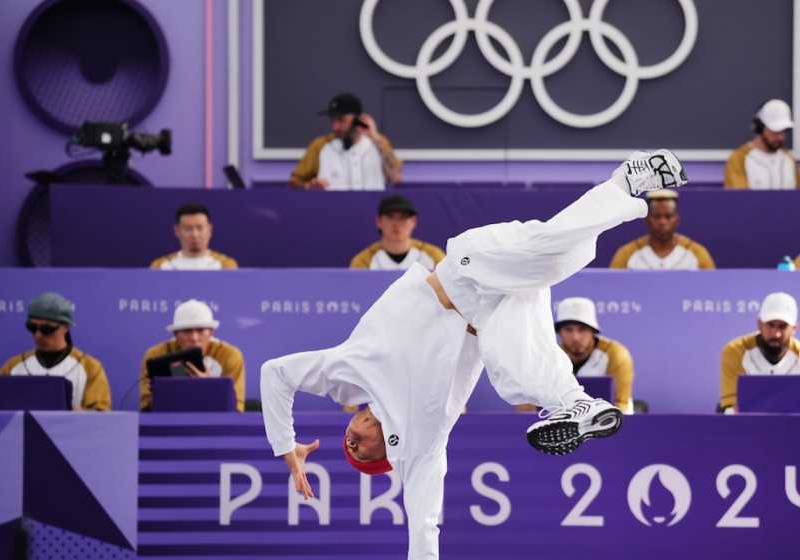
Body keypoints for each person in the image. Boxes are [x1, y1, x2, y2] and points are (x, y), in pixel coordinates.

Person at [260, 149, 687, 558]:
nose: (351, 444)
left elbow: (275, 374)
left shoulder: (346, 376)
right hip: (491, 315)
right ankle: (574, 403)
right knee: (510, 369)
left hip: (467, 268)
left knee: (553, 248)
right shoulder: (421, 443)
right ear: (390, 453)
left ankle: (626, 180)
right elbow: (422, 527)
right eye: (361, 455)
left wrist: (286, 445)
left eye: (348, 442)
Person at [0, 292, 111, 411]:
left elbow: (101, 415)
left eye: (47, 329)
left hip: (71, 429)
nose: (38, 335)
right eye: (32, 328)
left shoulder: (90, 367)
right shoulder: (13, 366)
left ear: (66, 327)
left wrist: (80, 414)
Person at [139, 300, 246, 412]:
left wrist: (211, 387)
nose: (194, 338)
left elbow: (236, 409)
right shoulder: (156, 355)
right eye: (187, 331)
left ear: (211, 332)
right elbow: (146, 407)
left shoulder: (230, 356)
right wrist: (167, 390)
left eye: (200, 330)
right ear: (175, 334)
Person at [290, 92, 402, 190]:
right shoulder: (320, 145)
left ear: (358, 119)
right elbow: (295, 182)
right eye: (332, 120)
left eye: (341, 120)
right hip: (332, 211)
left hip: (372, 210)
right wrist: (309, 187)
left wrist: (375, 137)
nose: (335, 127)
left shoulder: (378, 142)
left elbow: (396, 178)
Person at [554, 297, 635, 413]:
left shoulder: (616, 354)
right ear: (560, 332)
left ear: (593, 331)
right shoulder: (550, 358)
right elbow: (528, 409)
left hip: (608, 423)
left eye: (582, 329)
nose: (575, 337)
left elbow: (621, 404)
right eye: (568, 329)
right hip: (561, 426)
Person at [609, 190, 715, 269]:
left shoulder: (697, 253)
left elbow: (712, 289)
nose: (662, 222)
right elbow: (612, 289)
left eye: (668, 216)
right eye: (657, 216)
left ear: (677, 220)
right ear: (647, 219)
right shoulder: (626, 254)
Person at [724, 99, 800, 189]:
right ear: (759, 128)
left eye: (784, 131)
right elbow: (739, 199)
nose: (781, 137)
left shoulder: (789, 159)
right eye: (776, 131)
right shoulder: (738, 159)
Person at [350, 195, 445, 271]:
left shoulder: (434, 256)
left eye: (403, 217)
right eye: (390, 217)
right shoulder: (363, 261)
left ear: (414, 222)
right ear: (378, 221)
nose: (396, 224)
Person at [150, 203, 238, 270]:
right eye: (188, 229)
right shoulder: (160, 266)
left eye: (200, 228)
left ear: (209, 229)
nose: (194, 234)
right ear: (177, 231)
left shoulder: (226, 265)